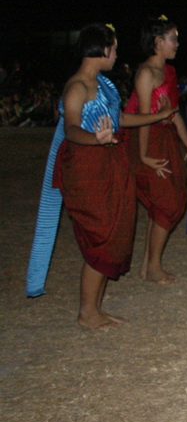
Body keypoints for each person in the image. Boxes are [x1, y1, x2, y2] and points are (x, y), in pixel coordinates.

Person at [26, 23, 175, 328]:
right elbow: (71, 128)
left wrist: (160, 115)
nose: (117, 54)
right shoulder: (77, 87)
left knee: (116, 229)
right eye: (114, 48)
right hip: (87, 167)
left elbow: (119, 119)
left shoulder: (104, 84)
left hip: (110, 161)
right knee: (101, 235)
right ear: (103, 49)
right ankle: (87, 312)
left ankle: (95, 308)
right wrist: (96, 139)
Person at [125, 16, 187, 284]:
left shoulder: (168, 71)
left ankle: (148, 266)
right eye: (173, 38)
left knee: (163, 202)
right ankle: (154, 268)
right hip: (148, 139)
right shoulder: (146, 73)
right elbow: (145, 118)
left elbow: (172, 112)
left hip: (165, 137)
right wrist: (144, 155)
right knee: (168, 203)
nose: (177, 43)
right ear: (158, 42)